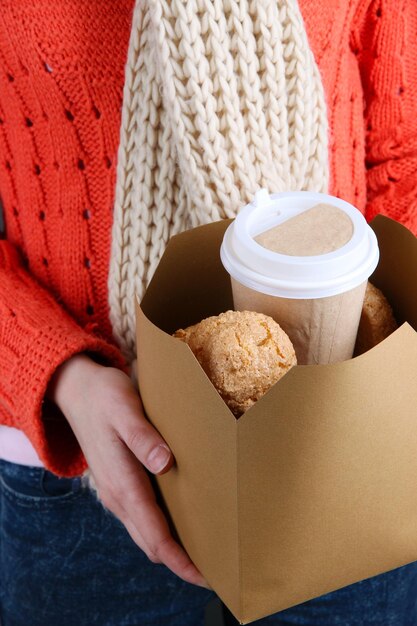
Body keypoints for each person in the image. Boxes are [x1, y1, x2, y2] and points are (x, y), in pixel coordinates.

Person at [0, 1, 416, 625]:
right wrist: (58, 373)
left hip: (341, 439)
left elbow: (402, 154)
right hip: (76, 464)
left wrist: (383, 359)